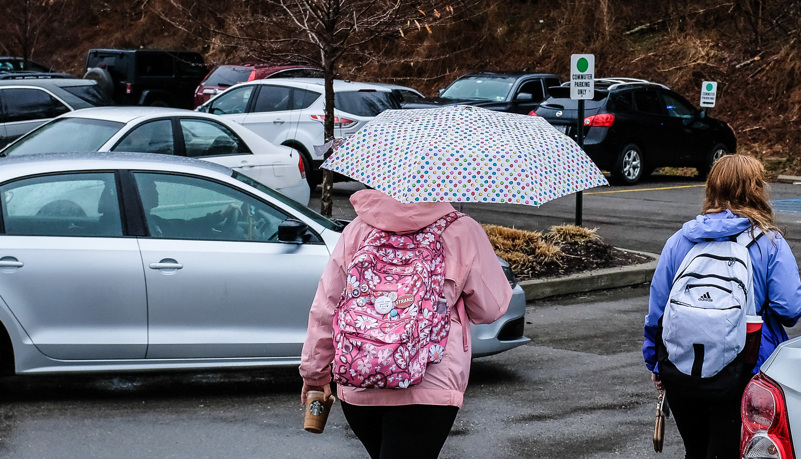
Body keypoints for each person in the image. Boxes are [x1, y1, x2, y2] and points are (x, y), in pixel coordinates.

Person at [299, 188, 512, 459]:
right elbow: (490, 309)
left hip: (360, 378)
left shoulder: (358, 230)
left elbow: (326, 306)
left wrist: (315, 374)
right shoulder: (462, 230)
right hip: (430, 385)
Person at [643, 154, 801, 458]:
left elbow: (658, 310)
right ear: (756, 189)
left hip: (681, 366)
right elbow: (789, 309)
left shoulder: (681, 239)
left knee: (696, 450)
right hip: (746, 368)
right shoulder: (769, 243)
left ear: (712, 186)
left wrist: (654, 361)